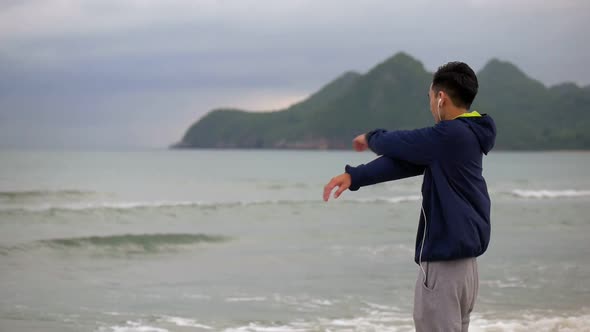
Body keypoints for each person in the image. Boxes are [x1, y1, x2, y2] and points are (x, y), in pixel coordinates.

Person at [322, 61, 497, 331]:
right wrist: (355, 176)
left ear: (441, 98)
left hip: (444, 266)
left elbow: (398, 142)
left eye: (429, 98)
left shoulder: (448, 134)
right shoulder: (469, 135)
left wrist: (370, 137)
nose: (429, 106)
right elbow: (403, 163)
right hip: (466, 269)